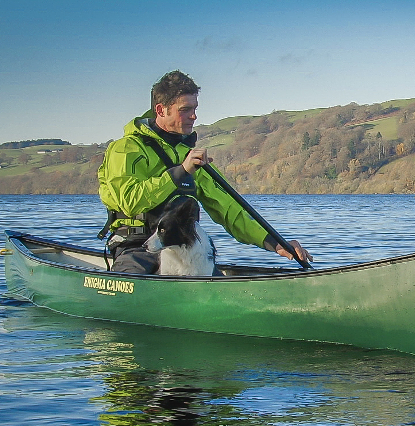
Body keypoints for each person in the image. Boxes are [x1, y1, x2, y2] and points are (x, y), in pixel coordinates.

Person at [98, 70, 312, 273]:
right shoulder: (125, 149)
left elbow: (230, 210)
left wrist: (275, 242)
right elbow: (130, 201)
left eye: (195, 109)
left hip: (185, 251)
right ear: (161, 110)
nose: (194, 117)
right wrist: (180, 172)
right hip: (138, 247)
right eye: (185, 110)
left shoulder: (189, 155)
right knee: (133, 286)